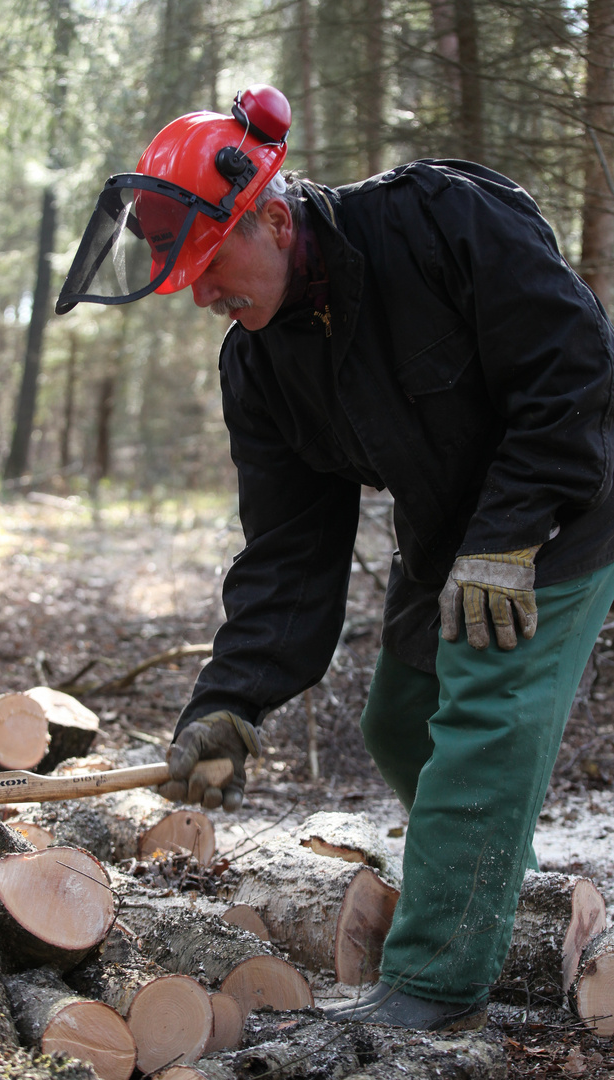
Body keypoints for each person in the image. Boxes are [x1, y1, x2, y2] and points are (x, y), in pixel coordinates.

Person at [56, 85, 614, 1031]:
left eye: (211, 265)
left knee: (479, 713)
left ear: (273, 219)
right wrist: (230, 699)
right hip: (447, 534)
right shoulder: (259, 363)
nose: (202, 295)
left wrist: (509, 534)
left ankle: (433, 990)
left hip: (563, 503)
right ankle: (519, 907)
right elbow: (289, 549)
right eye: (184, 277)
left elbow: (574, 367)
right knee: (399, 722)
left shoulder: (439, 221)